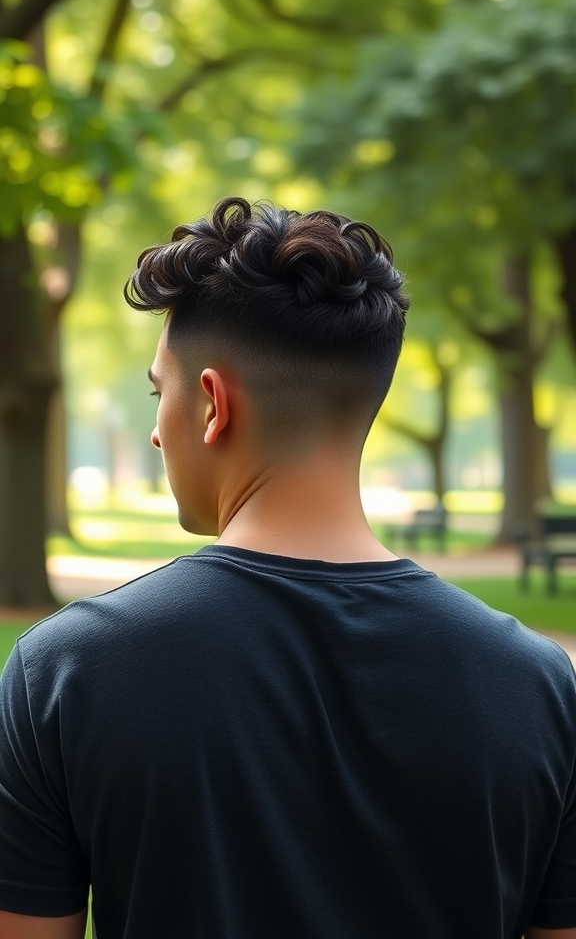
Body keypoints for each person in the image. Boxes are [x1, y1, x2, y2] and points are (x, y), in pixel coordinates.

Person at [0, 197, 574, 939]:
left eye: (159, 392)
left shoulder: (66, 671)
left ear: (212, 405)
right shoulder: (540, 687)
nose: (155, 432)